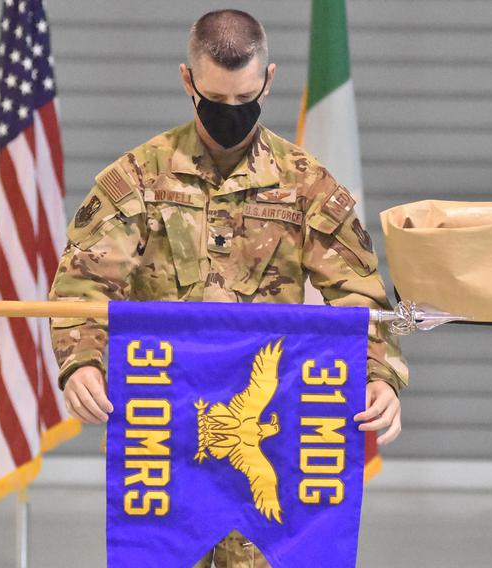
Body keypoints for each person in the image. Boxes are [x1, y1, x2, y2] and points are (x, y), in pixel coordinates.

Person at [48, 9, 408, 568]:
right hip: (162, 433)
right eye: (216, 101)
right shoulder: (140, 178)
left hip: (274, 441)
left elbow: (359, 296)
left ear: (269, 79)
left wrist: (378, 376)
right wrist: (82, 362)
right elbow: (82, 283)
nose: (231, 116)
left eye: (245, 101)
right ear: (188, 81)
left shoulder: (304, 183)